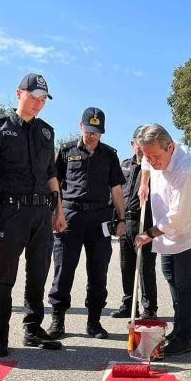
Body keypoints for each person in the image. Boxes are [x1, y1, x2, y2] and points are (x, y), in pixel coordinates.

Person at [0, 73, 66, 357]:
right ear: (19, 94)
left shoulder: (46, 132)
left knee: (38, 274)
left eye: (43, 100)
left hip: (42, 212)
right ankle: (0, 332)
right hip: (10, 212)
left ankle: (32, 328)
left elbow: (52, 176)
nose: (38, 104)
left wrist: (59, 211)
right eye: (34, 97)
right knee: (6, 275)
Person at [47, 107, 126, 340]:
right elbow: (55, 185)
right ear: (81, 127)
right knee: (63, 269)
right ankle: (58, 320)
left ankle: (94, 322)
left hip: (100, 217)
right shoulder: (66, 151)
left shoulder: (110, 155)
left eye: (97, 132)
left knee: (98, 270)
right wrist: (56, 214)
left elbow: (117, 190)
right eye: (89, 130)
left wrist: (121, 219)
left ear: (102, 132)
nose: (92, 135)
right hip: (70, 215)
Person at [134, 124, 191, 356]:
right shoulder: (153, 155)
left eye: (156, 156)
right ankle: (179, 326)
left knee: (185, 284)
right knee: (170, 277)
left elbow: (177, 216)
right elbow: (146, 161)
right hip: (167, 235)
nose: (152, 161)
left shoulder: (185, 169)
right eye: (147, 155)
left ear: (170, 147)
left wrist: (149, 234)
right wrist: (144, 182)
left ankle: (184, 337)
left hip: (187, 233)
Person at [111, 125, 158, 320]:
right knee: (126, 265)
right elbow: (116, 192)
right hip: (126, 220)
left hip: (145, 220)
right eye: (137, 142)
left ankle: (149, 308)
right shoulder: (124, 165)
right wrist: (116, 219)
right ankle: (129, 303)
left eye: (143, 142)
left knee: (145, 267)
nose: (140, 146)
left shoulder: (155, 166)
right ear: (132, 144)